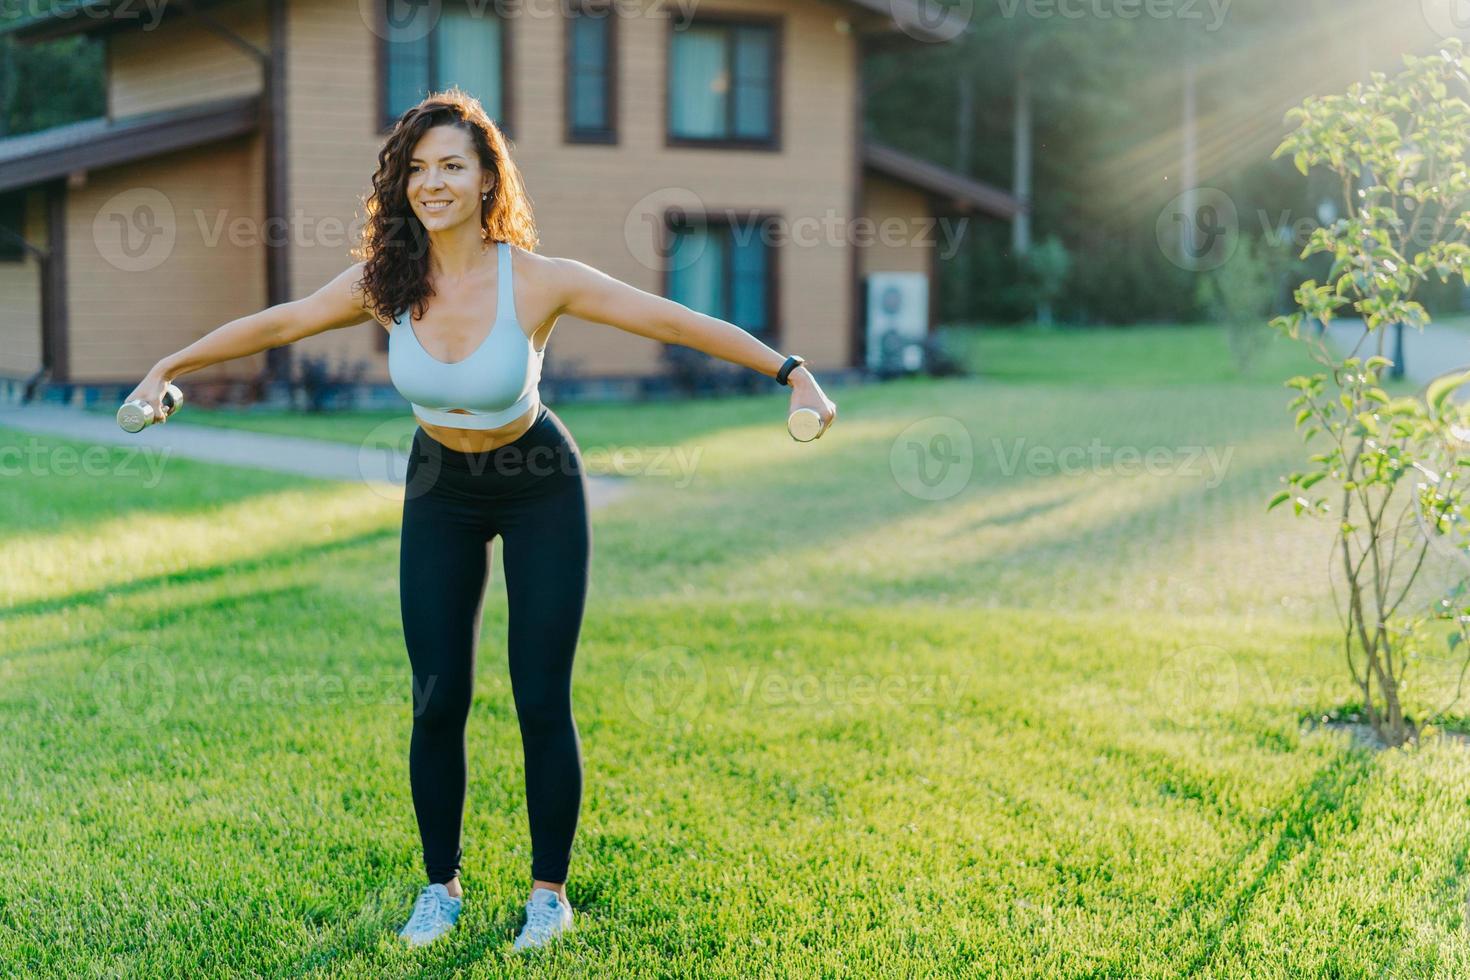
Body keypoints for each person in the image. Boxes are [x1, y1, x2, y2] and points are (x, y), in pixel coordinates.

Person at [123, 87, 837, 953]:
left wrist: (789, 370)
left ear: (487, 177)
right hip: (440, 489)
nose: (433, 183)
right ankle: (440, 888)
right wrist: (170, 362)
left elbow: (670, 319)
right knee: (436, 700)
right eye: (418, 169)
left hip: (537, 483)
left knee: (540, 696)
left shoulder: (535, 279)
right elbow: (282, 322)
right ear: (401, 184)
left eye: (453, 166)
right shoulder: (384, 283)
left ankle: (547, 896)